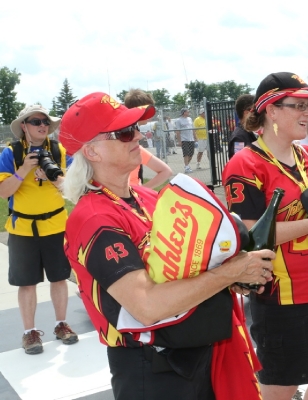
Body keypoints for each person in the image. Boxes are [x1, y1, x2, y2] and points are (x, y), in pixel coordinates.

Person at [59, 92, 275, 399]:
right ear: (92, 151)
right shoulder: (93, 218)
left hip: (195, 350)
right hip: (150, 366)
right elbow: (147, 307)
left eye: (135, 128)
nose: (138, 136)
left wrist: (235, 275)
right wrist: (229, 274)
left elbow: (185, 267)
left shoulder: (146, 197)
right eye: (124, 132)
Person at [222, 72, 308, 400]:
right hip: (283, 297)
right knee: (279, 389)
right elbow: (251, 234)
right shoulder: (244, 165)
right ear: (271, 110)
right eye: (298, 106)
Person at [1, 105, 78, 354]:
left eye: (45, 121)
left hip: (55, 225)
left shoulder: (58, 151)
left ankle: (61, 324)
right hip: (23, 228)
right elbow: (3, 192)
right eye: (36, 121)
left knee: (59, 278)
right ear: (24, 126)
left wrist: (52, 178)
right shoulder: (11, 153)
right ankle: (30, 332)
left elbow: (74, 187)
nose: (43, 125)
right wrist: (24, 169)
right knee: (27, 283)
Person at [123, 89, 172, 188]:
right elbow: (166, 171)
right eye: (149, 110)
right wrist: (140, 191)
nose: (151, 114)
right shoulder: (127, 145)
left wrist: (141, 191)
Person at [228, 94, 256, 160]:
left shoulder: (247, 132)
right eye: (254, 110)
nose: (257, 113)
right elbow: (239, 162)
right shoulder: (239, 138)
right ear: (246, 113)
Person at [175, 108, 195, 173]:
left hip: (191, 139)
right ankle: (186, 167)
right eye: (187, 112)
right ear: (184, 113)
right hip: (184, 139)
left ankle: (187, 165)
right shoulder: (178, 120)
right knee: (186, 153)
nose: (188, 112)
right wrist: (179, 141)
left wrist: (195, 137)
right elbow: (178, 131)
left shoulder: (190, 119)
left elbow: (193, 129)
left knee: (191, 154)